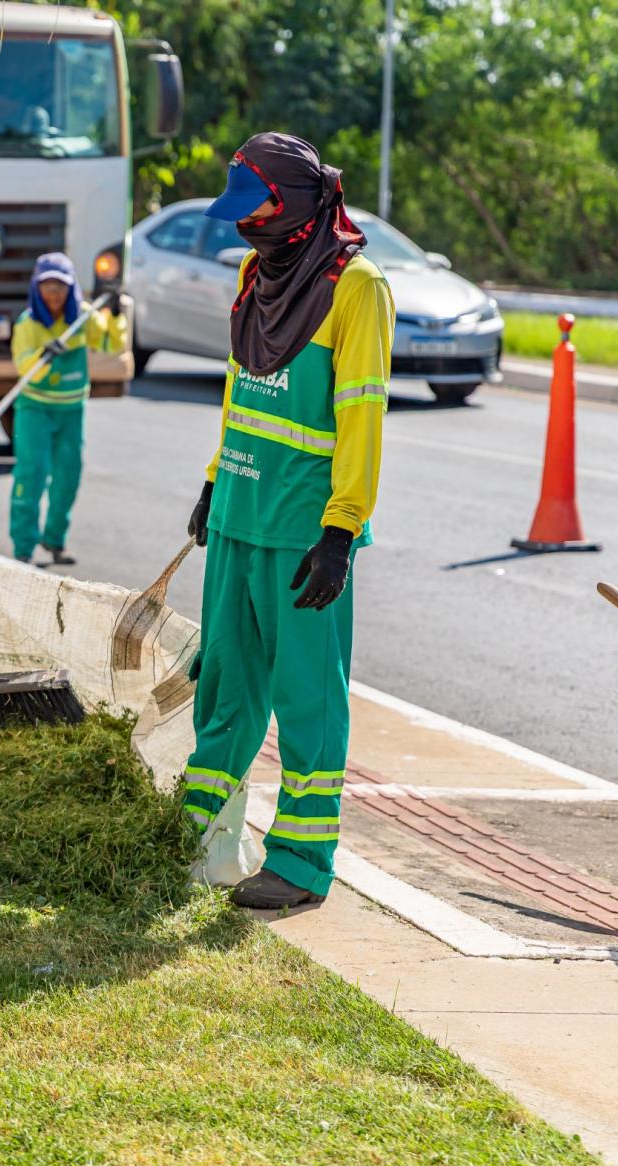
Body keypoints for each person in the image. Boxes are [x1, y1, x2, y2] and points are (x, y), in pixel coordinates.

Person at [179, 133, 392, 910]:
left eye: (258, 211)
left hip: (306, 530)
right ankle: (197, 842)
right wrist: (212, 483)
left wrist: (341, 532)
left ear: (299, 209)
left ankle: (302, 863)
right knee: (225, 686)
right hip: (239, 513)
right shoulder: (254, 274)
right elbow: (240, 391)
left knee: (307, 696)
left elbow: (362, 416)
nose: (245, 228)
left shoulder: (356, 288)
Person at [6, 252, 125, 565]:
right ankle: (23, 546)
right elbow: (22, 366)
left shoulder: (84, 318)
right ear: (36, 288)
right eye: (47, 286)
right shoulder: (28, 324)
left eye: (60, 287)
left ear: (71, 288)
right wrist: (43, 354)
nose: (54, 294)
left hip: (72, 410)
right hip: (35, 409)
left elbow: (112, 345)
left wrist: (115, 314)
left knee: (68, 476)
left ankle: (55, 540)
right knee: (32, 473)